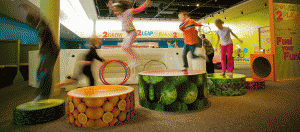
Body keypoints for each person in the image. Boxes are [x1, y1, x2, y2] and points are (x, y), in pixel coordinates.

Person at [25, 13, 61, 102]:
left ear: (33, 21)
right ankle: (42, 93)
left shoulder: (42, 28)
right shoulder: (41, 26)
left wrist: (42, 51)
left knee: (45, 72)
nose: (30, 25)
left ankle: (44, 95)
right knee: (40, 71)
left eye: (29, 23)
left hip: (51, 51)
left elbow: (46, 42)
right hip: (49, 51)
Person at [107, 0, 151, 68]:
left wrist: (145, 4)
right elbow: (114, 9)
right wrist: (111, 6)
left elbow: (138, 9)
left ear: (121, 9)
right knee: (123, 47)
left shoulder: (128, 12)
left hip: (132, 33)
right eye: (115, 11)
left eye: (117, 10)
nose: (116, 13)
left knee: (127, 47)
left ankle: (136, 61)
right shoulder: (119, 15)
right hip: (127, 34)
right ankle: (134, 59)